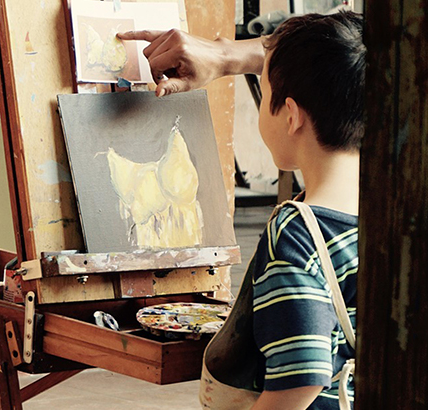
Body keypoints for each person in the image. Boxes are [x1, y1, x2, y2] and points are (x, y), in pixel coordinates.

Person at [121, 10, 365, 410]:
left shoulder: (298, 233)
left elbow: (298, 380)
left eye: (264, 95)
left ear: (291, 115)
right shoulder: (392, 215)